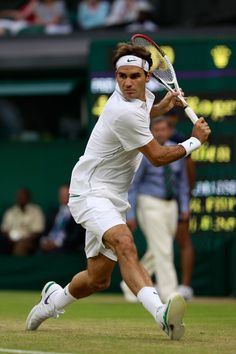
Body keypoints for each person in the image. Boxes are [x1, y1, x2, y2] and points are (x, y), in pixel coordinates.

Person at [26, 42, 211, 340]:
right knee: (125, 243)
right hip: (89, 193)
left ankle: (51, 301)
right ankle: (161, 314)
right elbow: (157, 157)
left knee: (97, 280)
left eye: (133, 76)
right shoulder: (122, 109)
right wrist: (194, 142)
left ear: (147, 78)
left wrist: (163, 106)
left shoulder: (141, 101)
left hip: (113, 198)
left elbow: (144, 112)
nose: (126, 83)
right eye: (121, 76)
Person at [120, 117, 190, 303]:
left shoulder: (177, 149)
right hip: (149, 202)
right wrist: (131, 212)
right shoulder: (145, 153)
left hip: (171, 205)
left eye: (163, 129)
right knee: (164, 249)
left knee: (157, 250)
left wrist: (184, 206)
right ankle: (171, 294)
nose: (159, 133)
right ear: (151, 131)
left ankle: (130, 283)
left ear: (169, 131)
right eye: (156, 130)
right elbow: (133, 185)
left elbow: (182, 183)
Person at [165, 108, 195, 301]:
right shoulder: (150, 135)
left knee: (183, 241)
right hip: (155, 199)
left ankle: (185, 287)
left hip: (176, 198)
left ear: (174, 119)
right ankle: (164, 284)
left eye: (168, 119)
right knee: (160, 245)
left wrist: (185, 201)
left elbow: (187, 176)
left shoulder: (180, 140)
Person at [40, 185, 85, 253]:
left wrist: (57, 244)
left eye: (66, 194)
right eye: (61, 194)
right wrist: (44, 241)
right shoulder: (53, 212)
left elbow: (76, 236)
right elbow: (45, 230)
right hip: (47, 245)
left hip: (65, 248)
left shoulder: (78, 213)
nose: (63, 197)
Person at [0, 188, 45, 255]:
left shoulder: (36, 211)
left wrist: (24, 240)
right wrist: (9, 238)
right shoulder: (10, 212)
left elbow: (38, 231)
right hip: (9, 240)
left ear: (28, 198)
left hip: (28, 241)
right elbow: (4, 229)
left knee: (20, 246)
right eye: (19, 197)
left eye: (23, 196)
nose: (21, 198)